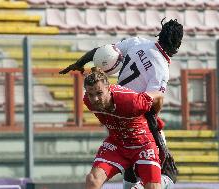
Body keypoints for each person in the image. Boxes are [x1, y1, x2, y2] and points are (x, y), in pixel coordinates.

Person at [60, 19, 183, 189]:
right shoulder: (161, 69)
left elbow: (104, 52)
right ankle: (150, 182)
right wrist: (157, 132)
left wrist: (80, 63)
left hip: (118, 106)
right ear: (177, 46)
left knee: (135, 175)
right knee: (160, 175)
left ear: (160, 34)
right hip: (131, 111)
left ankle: (150, 181)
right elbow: (154, 101)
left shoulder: (138, 42)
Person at [83, 67, 164, 189]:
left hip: (142, 143)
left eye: (99, 93)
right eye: (91, 94)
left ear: (108, 89)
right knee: (92, 180)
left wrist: (154, 118)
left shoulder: (131, 101)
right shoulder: (88, 101)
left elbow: (158, 96)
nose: (95, 99)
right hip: (117, 143)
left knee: (153, 187)